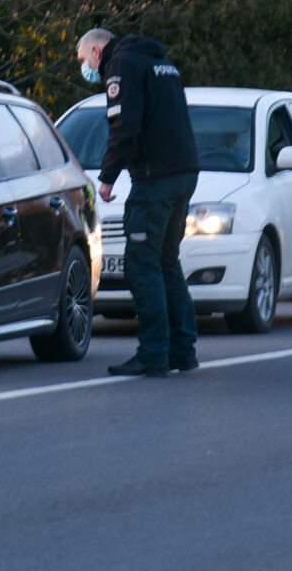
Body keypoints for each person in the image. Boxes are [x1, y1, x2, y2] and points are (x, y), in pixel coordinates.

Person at [78, 26, 201, 377]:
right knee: (166, 260)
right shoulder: (162, 63)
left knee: (142, 262)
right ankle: (182, 349)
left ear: (96, 52)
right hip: (183, 171)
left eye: (83, 59)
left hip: (155, 177)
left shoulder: (122, 64)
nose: (85, 67)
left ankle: (153, 352)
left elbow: (124, 124)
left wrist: (106, 178)